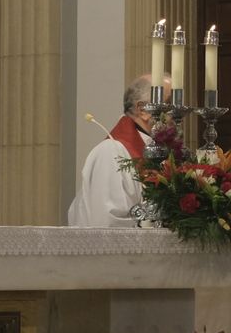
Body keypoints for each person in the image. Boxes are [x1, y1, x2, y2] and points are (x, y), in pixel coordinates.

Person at [68, 74, 165, 227]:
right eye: (168, 104)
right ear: (143, 110)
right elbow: (107, 225)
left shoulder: (162, 154)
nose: (176, 114)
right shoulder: (112, 153)